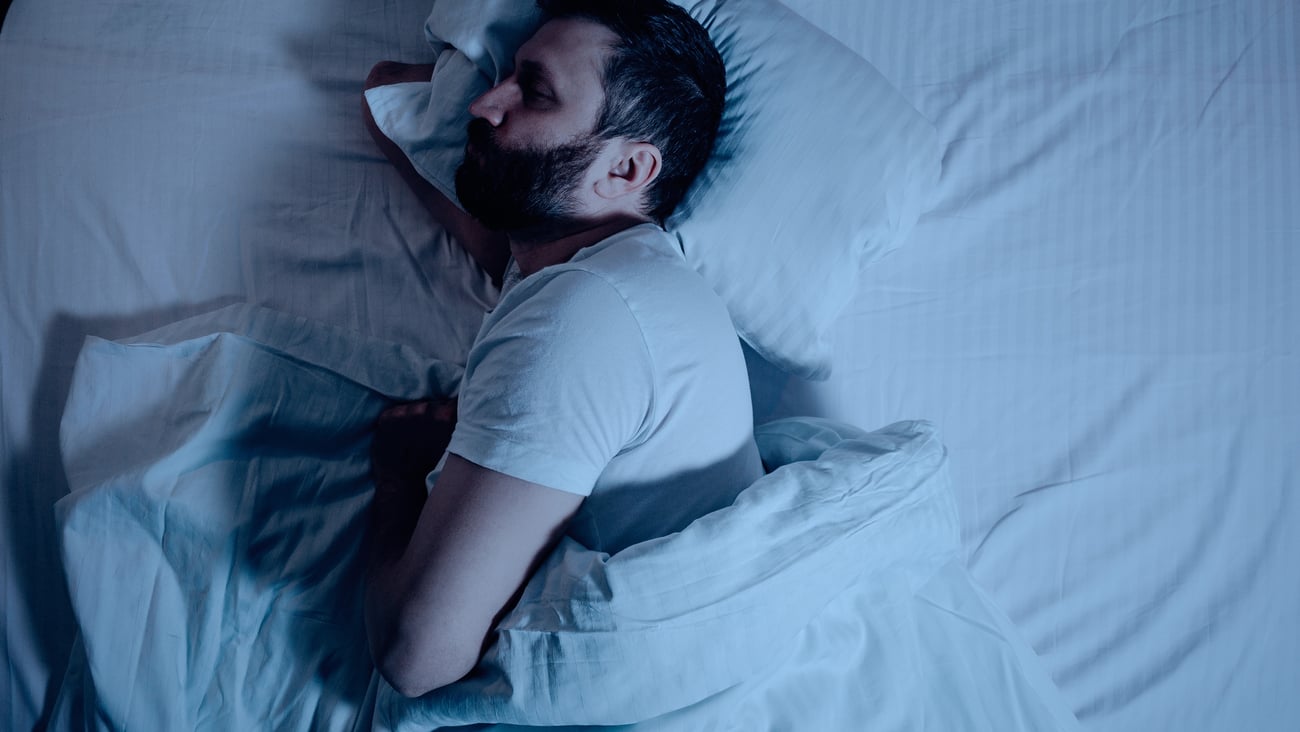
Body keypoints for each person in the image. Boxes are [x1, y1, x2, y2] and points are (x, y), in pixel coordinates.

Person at [360, 0, 764, 698]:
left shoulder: (585, 316)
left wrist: (396, 480)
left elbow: (414, 658)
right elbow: (384, 96)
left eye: (533, 92)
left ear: (630, 168)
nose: (485, 103)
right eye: (506, 75)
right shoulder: (595, 271)